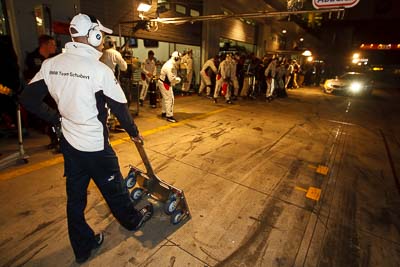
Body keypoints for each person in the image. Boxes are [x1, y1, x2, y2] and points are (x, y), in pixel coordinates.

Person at [19, 13, 153, 264]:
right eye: (101, 36)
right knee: (114, 189)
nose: (102, 42)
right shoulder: (98, 70)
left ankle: (83, 247)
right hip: (95, 144)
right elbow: (121, 110)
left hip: (69, 144)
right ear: (93, 36)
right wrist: (134, 132)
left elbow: (26, 98)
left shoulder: (51, 64)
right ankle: (133, 220)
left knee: (76, 199)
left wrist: (56, 119)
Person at [24, 34, 59, 151]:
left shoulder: (55, 58)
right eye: (53, 45)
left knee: (55, 116)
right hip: (39, 94)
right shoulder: (32, 58)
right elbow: (29, 77)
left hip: (52, 93)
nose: (55, 47)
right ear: (45, 44)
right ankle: (53, 138)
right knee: (46, 119)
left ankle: (57, 140)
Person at [158, 51, 182, 123]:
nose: (180, 61)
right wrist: (178, 79)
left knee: (165, 99)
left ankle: (164, 112)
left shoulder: (171, 63)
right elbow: (172, 79)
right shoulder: (170, 66)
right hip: (165, 83)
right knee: (170, 99)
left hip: (163, 82)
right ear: (176, 58)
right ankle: (169, 116)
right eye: (179, 59)